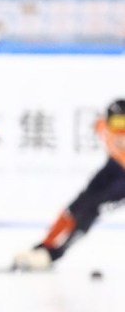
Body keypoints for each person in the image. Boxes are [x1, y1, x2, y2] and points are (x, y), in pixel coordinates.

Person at [13, 99, 125, 270]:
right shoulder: (102, 125)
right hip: (113, 166)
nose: (120, 129)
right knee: (75, 206)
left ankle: (56, 253)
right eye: (117, 123)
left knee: (92, 209)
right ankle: (46, 244)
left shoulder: (106, 127)